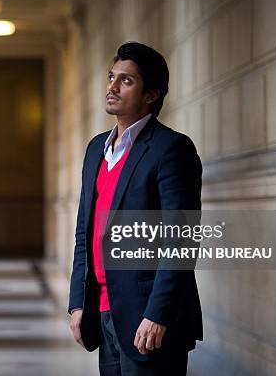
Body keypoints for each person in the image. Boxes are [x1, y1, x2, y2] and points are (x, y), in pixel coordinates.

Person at [68, 42, 203, 376]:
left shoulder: (171, 149)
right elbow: (85, 231)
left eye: (126, 81)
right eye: (112, 77)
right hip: (103, 311)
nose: (111, 87)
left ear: (150, 95)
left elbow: (181, 241)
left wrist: (158, 314)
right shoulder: (97, 148)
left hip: (149, 320)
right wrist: (77, 303)